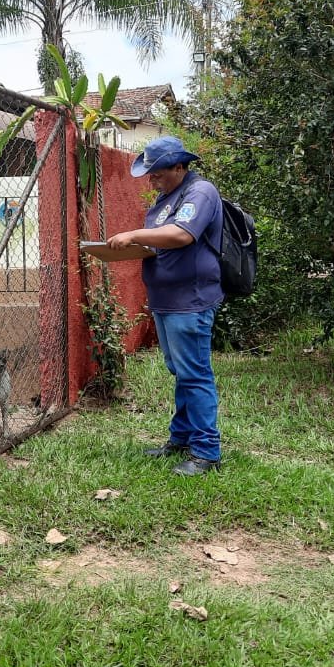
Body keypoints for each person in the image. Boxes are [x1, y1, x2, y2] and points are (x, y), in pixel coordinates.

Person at [105, 135, 224, 476]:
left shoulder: (200, 193)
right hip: (166, 301)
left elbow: (182, 235)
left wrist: (134, 236)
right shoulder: (166, 198)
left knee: (194, 374)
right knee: (181, 372)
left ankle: (206, 453)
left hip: (191, 301)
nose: (151, 177)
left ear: (179, 166)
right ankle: (182, 439)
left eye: (157, 171)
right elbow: (163, 242)